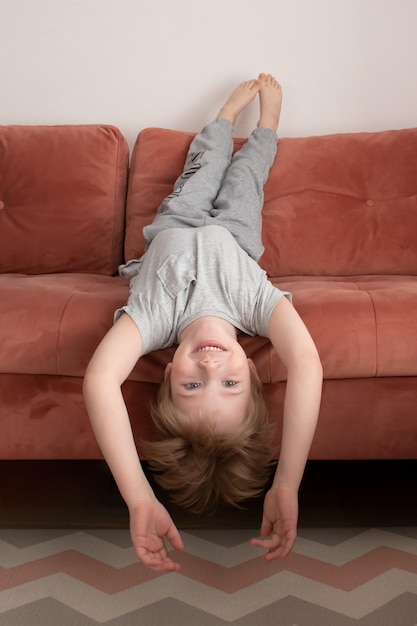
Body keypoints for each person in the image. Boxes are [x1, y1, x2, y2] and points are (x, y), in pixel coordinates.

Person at [83, 73, 323, 573]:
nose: (211, 365)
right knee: (244, 178)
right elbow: (306, 365)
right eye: (230, 383)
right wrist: (286, 485)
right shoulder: (255, 305)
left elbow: (100, 381)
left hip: (176, 223)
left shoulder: (152, 318)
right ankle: (267, 126)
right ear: (252, 374)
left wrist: (140, 500)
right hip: (236, 234)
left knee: (206, 164)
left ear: (169, 373)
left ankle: (223, 120)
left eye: (194, 385)